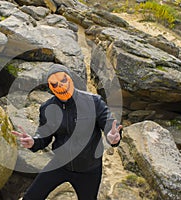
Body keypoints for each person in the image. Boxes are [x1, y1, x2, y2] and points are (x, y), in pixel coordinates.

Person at [12, 64, 122, 200]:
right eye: (54, 84)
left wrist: (113, 137)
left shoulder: (94, 102)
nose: (61, 86)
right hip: (60, 164)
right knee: (31, 197)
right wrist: (33, 142)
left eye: (64, 80)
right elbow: (44, 135)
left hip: (89, 169)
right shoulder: (47, 108)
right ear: (50, 87)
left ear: (70, 79)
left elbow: (110, 126)